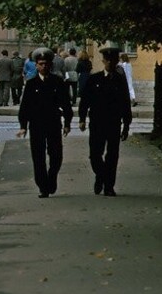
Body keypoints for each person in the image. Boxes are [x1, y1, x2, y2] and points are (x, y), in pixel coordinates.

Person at [17, 48, 73, 198]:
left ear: (50, 65)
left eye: (46, 64)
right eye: (41, 64)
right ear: (36, 65)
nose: (44, 66)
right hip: (36, 125)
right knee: (38, 156)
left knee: (56, 155)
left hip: (53, 123)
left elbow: (66, 104)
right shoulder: (31, 84)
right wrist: (23, 126)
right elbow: (25, 107)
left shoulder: (57, 82)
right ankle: (43, 186)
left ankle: (52, 176)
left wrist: (67, 122)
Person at [79, 46, 133, 196]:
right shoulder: (94, 79)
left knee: (112, 155)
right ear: (104, 61)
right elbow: (85, 100)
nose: (110, 63)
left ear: (116, 61)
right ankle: (101, 176)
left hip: (114, 122)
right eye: (108, 60)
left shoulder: (119, 80)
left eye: (113, 60)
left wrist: (126, 125)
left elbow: (125, 103)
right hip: (97, 122)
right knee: (95, 155)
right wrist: (82, 118)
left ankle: (109, 186)